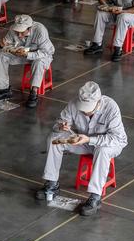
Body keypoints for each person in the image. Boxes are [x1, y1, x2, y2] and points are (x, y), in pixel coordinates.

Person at [35, 81, 127, 216]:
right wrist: (61, 126)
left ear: (98, 102)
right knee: (54, 139)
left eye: (88, 107)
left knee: (102, 150)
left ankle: (95, 197)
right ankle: (52, 184)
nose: (84, 110)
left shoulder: (111, 108)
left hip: (109, 144)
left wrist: (90, 139)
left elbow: (116, 138)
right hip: (84, 140)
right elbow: (58, 123)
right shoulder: (74, 104)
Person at [0, 15, 54, 108]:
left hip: (41, 55)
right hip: (22, 54)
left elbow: (46, 51)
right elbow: (7, 42)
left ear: (29, 28)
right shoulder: (13, 28)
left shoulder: (40, 30)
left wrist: (28, 54)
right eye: (17, 32)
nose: (19, 35)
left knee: (38, 62)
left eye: (22, 32)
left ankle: (33, 93)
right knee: (0, 54)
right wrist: (2, 45)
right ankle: (3, 89)